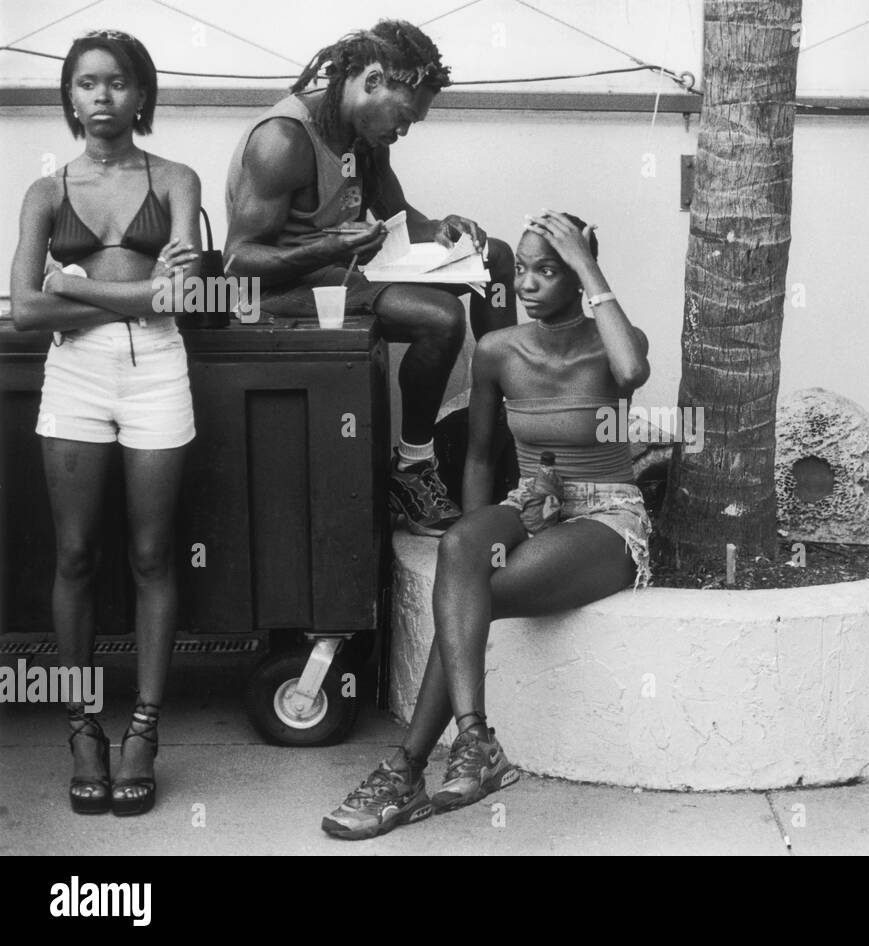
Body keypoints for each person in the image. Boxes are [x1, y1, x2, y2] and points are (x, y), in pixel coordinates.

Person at [321, 211, 652, 840]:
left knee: (470, 602)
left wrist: (588, 263)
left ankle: (404, 770)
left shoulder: (618, 340)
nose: (525, 284)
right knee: (462, 556)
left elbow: (632, 373)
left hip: (607, 515)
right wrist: (475, 544)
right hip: (530, 501)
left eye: (548, 270)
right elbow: (477, 456)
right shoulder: (499, 351)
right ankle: (474, 740)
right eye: (522, 269)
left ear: (581, 276)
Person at [9, 30, 202, 814]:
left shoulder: (179, 179)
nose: (100, 97)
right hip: (76, 377)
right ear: (69, 98)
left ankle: (144, 732)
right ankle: (83, 726)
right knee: (78, 555)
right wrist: (139, 289)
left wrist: (76, 287)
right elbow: (25, 311)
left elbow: (184, 301)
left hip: (158, 367)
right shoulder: (46, 193)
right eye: (85, 84)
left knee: (154, 555)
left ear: (141, 95)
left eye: (116, 83)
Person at [224, 19, 516, 537]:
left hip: (343, 268)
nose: (402, 132)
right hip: (281, 289)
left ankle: (499, 424)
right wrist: (329, 246)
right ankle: (413, 466)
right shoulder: (284, 140)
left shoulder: (365, 135)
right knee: (441, 319)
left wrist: (444, 228)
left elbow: (402, 216)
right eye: (404, 118)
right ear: (373, 78)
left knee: (495, 256)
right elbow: (238, 263)